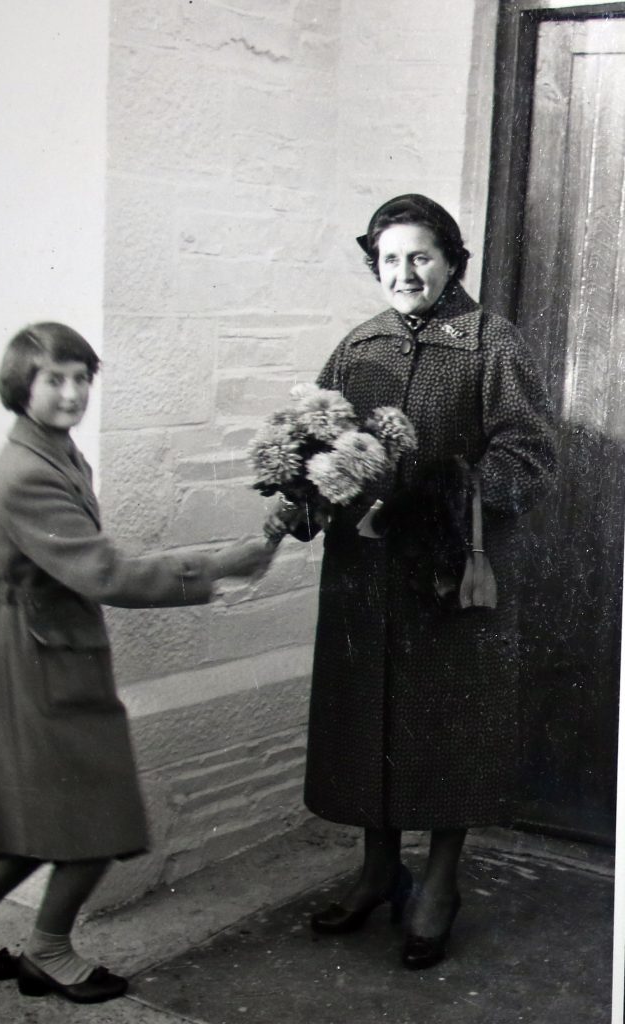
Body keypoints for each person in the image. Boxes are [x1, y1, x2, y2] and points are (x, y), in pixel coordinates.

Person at [0, 322, 273, 1003]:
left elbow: (89, 564)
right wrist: (215, 570)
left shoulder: (50, 450)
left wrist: (216, 564)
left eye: (82, 377)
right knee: (95, 813)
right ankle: (47, 950)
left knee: (40, 812)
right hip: (38, 656)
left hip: (38, 644)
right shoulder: (28, 473)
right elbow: (105, 573)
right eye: (55, 379)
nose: (72, 392)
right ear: (22, 384)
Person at [275, 195, 556, 968]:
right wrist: (302, 483)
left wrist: (443, 492)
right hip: (364, 573)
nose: (404, 273)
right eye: (389, 259)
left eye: (420, 257)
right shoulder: (356, 346)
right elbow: (318, 435)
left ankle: (438, 881)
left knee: (448, 723)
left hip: (447, 570)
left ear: (452, 261)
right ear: (374, 264)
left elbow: (528, 452)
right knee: (369, 717)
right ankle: (375, 870)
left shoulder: (490, 344)